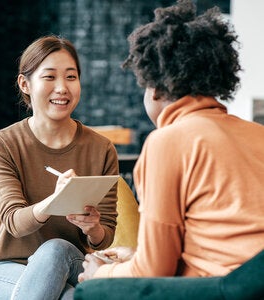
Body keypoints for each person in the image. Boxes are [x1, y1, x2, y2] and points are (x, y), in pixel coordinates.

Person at [78, 0, 264, 282]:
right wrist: (136, 257)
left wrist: (101, 273)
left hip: (223, 288)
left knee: (96, 289)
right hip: (251, 282)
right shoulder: (257, 133)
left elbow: (155, 271)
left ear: (154, 90)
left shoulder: (167, 142)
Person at [0, 35, 119, 299]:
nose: (62, 88)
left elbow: (105, 236)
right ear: (25, 84)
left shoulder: (101, 148)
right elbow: (14, 223)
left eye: (71, 77)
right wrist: (56, 200)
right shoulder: (3, 143)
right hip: (7, 269)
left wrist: (93, 227)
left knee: (57, 248)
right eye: (49, 77)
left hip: (71, 263)